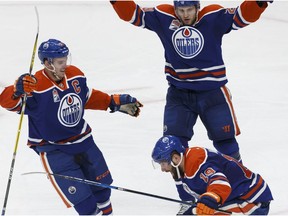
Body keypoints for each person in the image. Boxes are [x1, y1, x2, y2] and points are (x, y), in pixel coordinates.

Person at [110, 0, 273, 211]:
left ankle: (236, 191)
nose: (185, 15)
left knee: (226, 143)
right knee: (173, 147)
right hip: (179, 94)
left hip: (212, 93)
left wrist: (260, 3)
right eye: (181, 10)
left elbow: (242, 16)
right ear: (175, 9)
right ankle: (186, 200)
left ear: (198, 8)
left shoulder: (212, 17)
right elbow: (133, 14)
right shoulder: (164, 17)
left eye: (189, 10)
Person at [0, 38, 143, 215]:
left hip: (83, 141)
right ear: (47, 63)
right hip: (54, 149)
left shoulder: (75, 74)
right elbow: (8, 103)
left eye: (65, 60)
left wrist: (111, 102)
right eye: (60, 62)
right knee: (84, 204)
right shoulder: (34, 86)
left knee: (103, 191)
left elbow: (86, 97)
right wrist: (16, 90)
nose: (64, 65)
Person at [152, 135, 273, 215]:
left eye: (163, 163)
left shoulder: (196, 162)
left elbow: (220, 183)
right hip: (236, 197)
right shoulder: (184, 166)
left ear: (175, 158)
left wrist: (209, 199)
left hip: (252, 201)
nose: (163, 169)